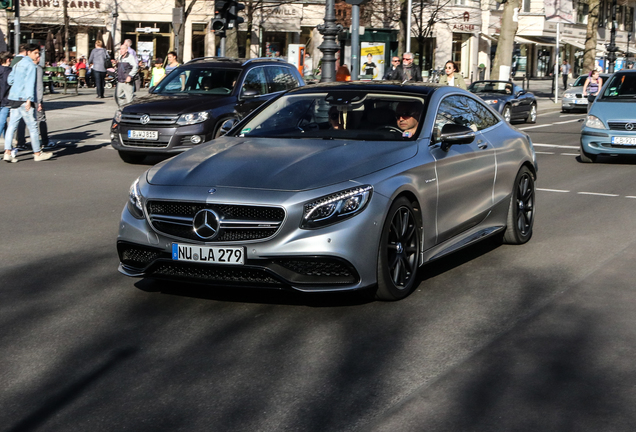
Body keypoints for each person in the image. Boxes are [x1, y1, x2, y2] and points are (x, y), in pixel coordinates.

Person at [3, 44, 53, 163]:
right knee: (33, 127)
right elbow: (30, 83)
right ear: (28, 52)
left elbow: (10, 79)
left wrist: (17, 85)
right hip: (25, 98)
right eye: (35, 53)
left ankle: (7, 152)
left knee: (12, 126)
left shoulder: (17, 63)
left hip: (14, 97)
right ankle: (37, 153)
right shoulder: (31, 66)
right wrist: (29, 100)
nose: (37, 56)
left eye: (38, 53)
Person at [0, 51, 12, 145]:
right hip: (5, 100)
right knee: (2, 122)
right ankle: (8, 145)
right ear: (8, 60)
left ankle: (8, 145)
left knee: (3, 123)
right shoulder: (9, 71)